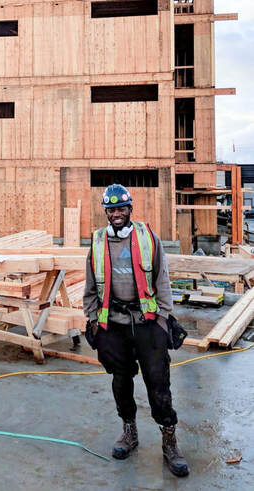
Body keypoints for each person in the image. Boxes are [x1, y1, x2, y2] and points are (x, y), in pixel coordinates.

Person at [83, 184, 189, 478]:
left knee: (158, 382)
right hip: (113, 324)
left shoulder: (147, 238)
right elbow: (91, 285)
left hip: (146, 323)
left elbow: (162, 279)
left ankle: (170, 441)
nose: (117, 214)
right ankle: (129, 431)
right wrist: (92, 319)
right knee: (120, 379)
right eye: (111, 209)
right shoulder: (97, 241)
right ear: (106, 212)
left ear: (130, 209)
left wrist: (163, 318)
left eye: (121, 208)